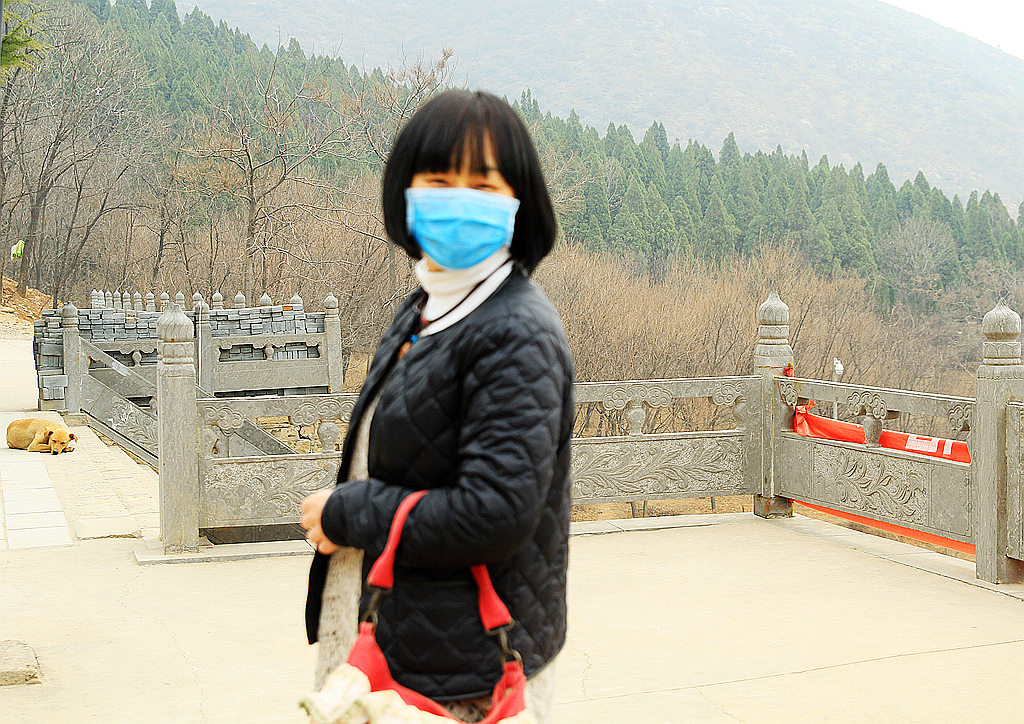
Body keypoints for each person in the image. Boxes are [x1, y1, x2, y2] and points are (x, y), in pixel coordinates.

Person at [300, 89, 575, 723]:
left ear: (519, 201)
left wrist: (348, 512)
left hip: (465, 669)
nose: (459, 198)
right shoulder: (426, 307)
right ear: (406, 191)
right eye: (439, 180)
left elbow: (496, 512)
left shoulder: (516, 334)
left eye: (483, 183)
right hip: (404, 634)